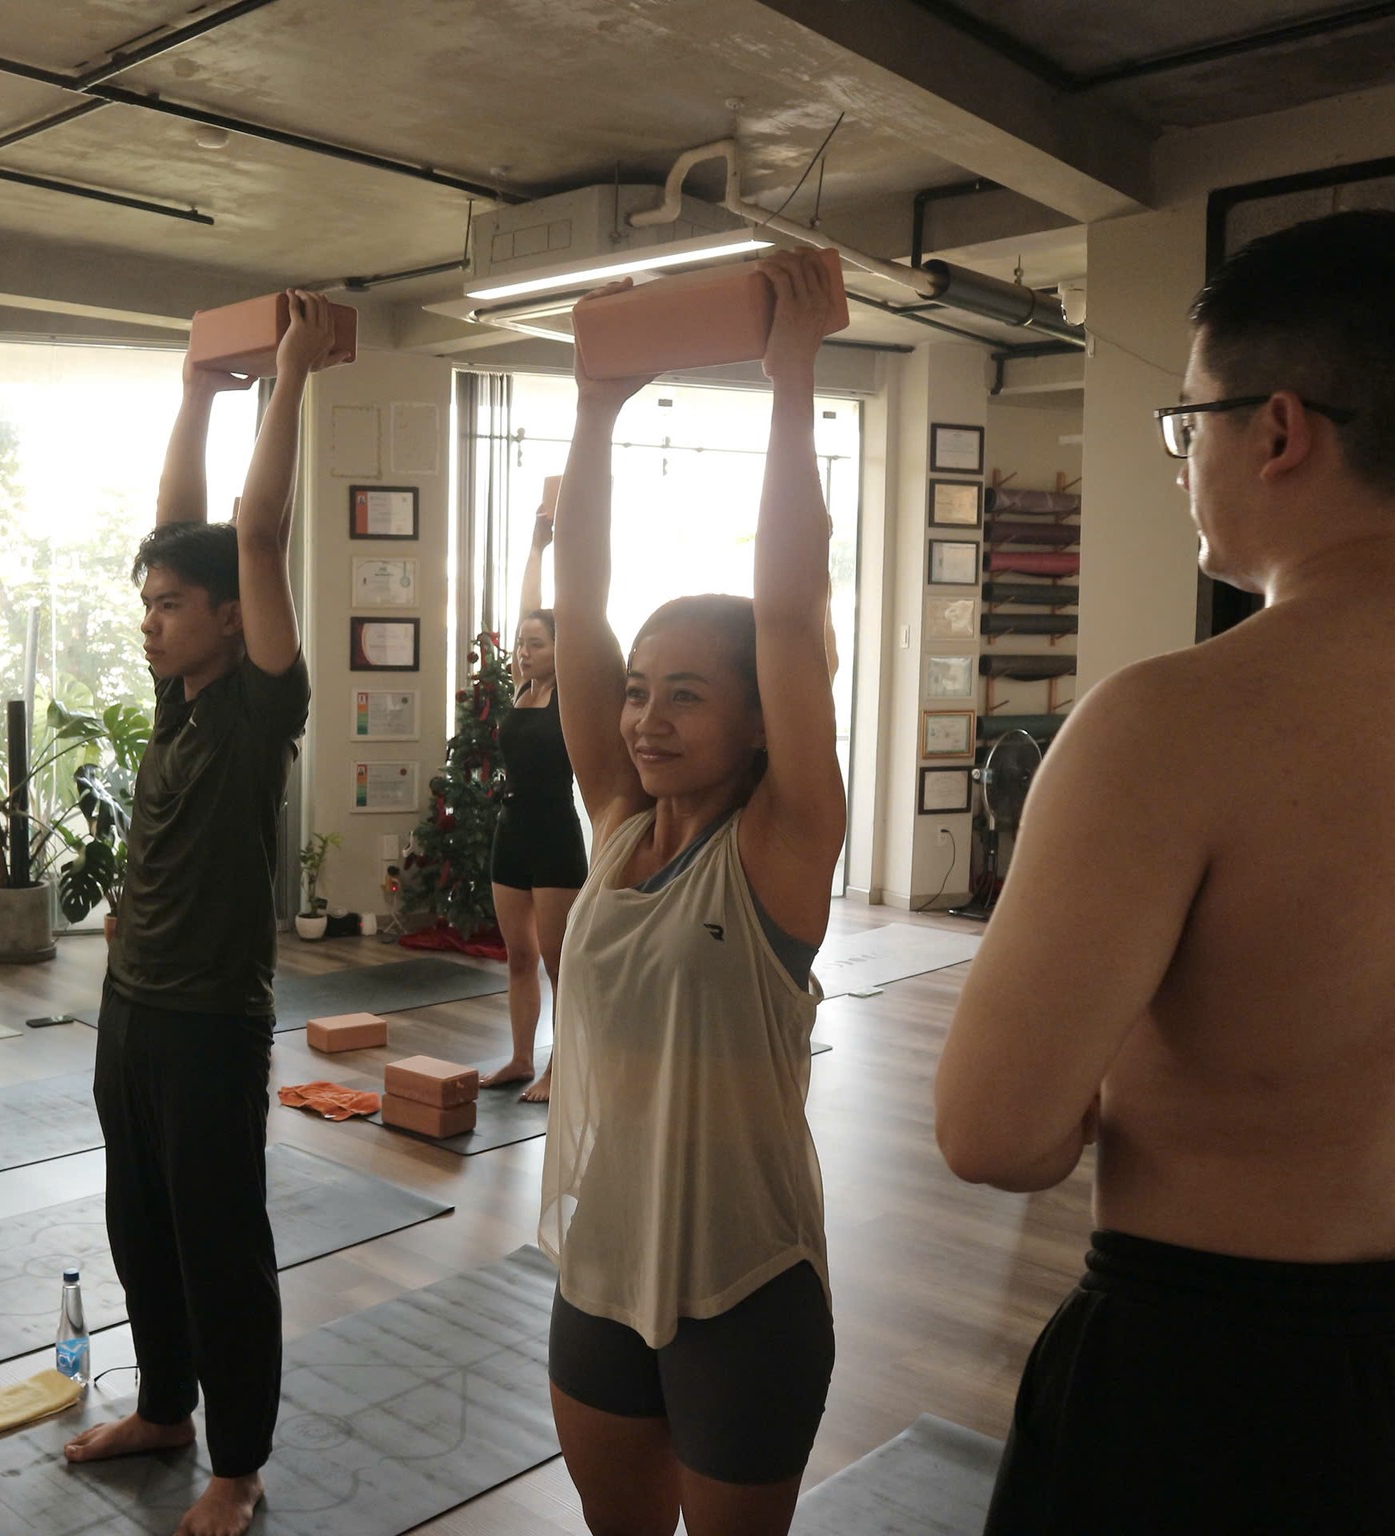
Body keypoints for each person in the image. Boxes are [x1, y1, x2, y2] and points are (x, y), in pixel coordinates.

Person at [934, 210, 1395, 1534]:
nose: (1183, 461)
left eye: (1187, 423)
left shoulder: (1168, 724)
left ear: (1278, 430)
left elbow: (993, 1131)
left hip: (1220, 1375)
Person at [539, 250, 846, 1536]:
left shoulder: (784, 844)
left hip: (744, 1288)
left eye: (685, 694)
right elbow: (579, 606)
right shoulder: (616, 822)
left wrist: (791, 381)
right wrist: (594, 411)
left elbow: (787, 611)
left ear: (760, 718)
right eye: (636, 691)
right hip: (598, 1273)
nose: (645, 717)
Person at [64, 293, 341, 1536]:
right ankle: (163, 1409)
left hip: (210, 1023)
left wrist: (288, 373)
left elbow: (253, 532)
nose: (150, 618)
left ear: (231, 617)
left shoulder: (255, 708)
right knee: (139, 1226)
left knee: (219, 1245)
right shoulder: (180, 700)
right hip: (131, 1008)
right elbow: (182, 523)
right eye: (149, 601)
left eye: (171, 603)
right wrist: (191, 393)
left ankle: (238, 1465)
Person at [482, 499, 588, 1101]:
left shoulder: (570, 690)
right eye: (521, 644)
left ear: (560, 648)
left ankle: (559, 1068)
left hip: (554, 835)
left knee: (557, 962)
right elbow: (527, 608)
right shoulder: (523, 688)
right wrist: (535, 547)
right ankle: (522, 1059)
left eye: (537, 644)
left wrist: (562, 545)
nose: (524, 651)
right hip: (512, 830)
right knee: (518, 957)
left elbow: (560, 614)